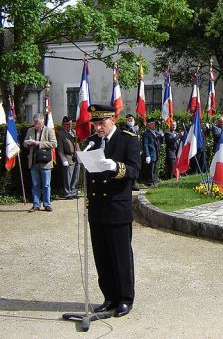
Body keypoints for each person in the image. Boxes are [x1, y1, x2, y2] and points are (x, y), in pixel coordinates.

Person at [85, 104, 141, 317]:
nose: (98, 127)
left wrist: (115, 167)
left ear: (113, 120)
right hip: (97, 208)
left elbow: (135, 170)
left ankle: (125, 298)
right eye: (96, 123)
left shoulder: (128, 139)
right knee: (102, 256)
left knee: (121, 256)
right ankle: (109, 297)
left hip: (117, 207)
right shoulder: (91, 141)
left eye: (102, 123)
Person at [23, 113, 58, 212]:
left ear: (43, 122)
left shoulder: (49, 130)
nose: (36, 125)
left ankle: (47, 204)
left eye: (38, 123)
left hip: (45, 162)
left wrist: (39, 143)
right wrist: (28, 143)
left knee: (46, 184)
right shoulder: (30, 130)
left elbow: (54, 143)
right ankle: (36, 204)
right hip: (33, 161)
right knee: (35, 184)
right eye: (35, 123)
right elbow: (24, 143)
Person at [56, 116, 80, 199]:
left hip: (76, 156)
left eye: (70, 124)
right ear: (63, 125)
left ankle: (73, 192)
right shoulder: (61, 133)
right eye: (67, 124)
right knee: (68, 177)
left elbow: (78, 143)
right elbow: (60, 148)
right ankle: (67, 193)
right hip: (68, 156)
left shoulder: (74, 132)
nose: (69, 126)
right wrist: (63, 159)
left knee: (76, 176)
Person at [142, 118, 163, 187]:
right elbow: (145, 145)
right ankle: (150, 182)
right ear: (148, 125)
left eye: (154, 124)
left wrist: (162, 136)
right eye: (152, 124)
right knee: (150, 169)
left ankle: (155, 181)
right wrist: (147, 155)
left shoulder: (156, 132)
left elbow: (161, 142)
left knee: (155, 169)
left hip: (156, 154)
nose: (153, 125)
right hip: (151, 154)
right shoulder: (146, 133)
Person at [121, 114, 140, 190]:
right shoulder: (123, 128)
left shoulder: (137, 129)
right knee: (129, 167)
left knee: (136, 167)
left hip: (136, 151)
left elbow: (139, 140)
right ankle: (129, 184)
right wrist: (131, 130)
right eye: (129, 119)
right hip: (128, 152)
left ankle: (134, 183)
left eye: (132, 119)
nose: (131, 120)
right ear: (126, 120)